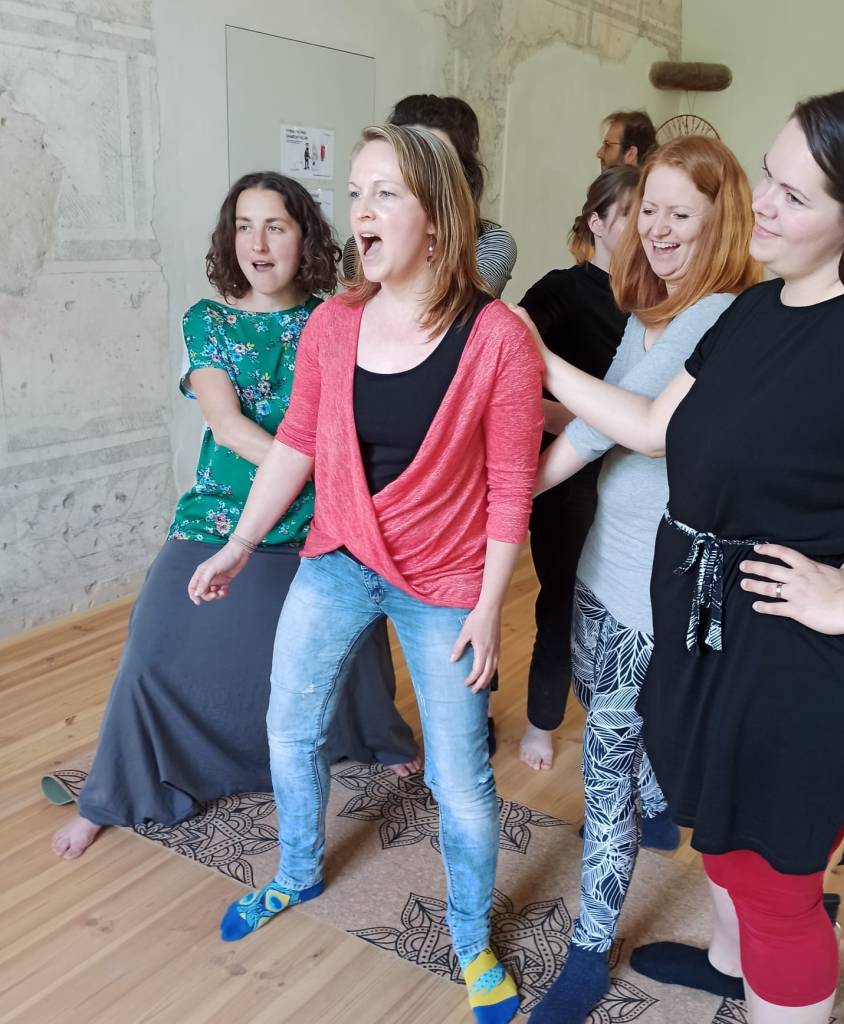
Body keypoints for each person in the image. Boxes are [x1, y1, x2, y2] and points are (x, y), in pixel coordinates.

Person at [515, 87, 844, 1024]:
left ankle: (767, 972)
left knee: (775, 887)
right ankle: (728, 960)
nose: (764, 206)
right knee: (728, 844)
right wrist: (537, 359)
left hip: (806, 657)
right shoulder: (757, 308)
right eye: (768, 178)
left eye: (795, 196)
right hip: (723, 636)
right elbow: (653, 426)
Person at [189, 125, 542, 1024]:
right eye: (355, 193)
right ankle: (298, 871)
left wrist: (489, 606)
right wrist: (238, 543)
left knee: (461, 780)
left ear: (438, 216)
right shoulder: (335, 322)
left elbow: (511, 485)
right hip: (338, 558)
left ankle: (471, 938)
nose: (361, 212)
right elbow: (298, 444)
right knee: (290, 724)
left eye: (385, 193)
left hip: (445, 579)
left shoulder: (498, 339)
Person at [48, 172, 418, 861]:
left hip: (316, 524)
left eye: (276, 226)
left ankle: (374, 734)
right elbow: (225, 423)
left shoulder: (338, 319)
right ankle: (110, 795)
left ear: (304, 236)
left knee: (356, 627)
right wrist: (315, 468)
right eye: (244, 227)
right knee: (151, 652)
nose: (258, 243)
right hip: (217, 519)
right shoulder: (207, 321)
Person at [524, 136, 761, 1024]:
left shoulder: (718, 314)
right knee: (604, 714)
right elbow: (600, 417)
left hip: (645, 590)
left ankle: (588, 951)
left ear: (720, 221)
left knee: (604, 772)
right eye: (648, 209)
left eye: (679, 214)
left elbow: (637, 429)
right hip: (604, 560)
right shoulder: (656, 308)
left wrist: (510, 492)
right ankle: (658, 811)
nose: (657, 229)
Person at [517, 164, 639, 772]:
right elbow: (509, 374)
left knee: (625, 608)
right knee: (562, 600)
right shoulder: (561, 290)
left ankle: (618, 721)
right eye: (634, 213)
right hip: (568, 480)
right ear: (597, 222)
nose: (650, 226)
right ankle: (542, 721)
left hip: (636, 478)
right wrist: (581, 421)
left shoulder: (660, 302)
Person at [342, 94, 517, 298]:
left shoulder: (491, 242)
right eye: (410, 155)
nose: (425, 172)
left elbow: (463, 309)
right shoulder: (361, 246)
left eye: (438, 160)